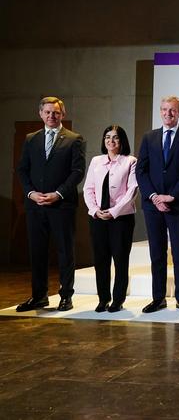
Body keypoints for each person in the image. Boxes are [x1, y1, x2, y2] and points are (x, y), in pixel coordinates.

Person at [16, 96, 85, 312]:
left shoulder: (74, 139)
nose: (51, 116)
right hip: (35, 206)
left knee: (65, 251)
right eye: (47, 112)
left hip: (61, 205)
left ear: (62, 114)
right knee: (37, 251)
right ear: (40, 114)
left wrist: (58, 194)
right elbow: (22, 170)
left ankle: (66, 296)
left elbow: (77, 172)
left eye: (55, 112)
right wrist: (30, 193)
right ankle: (39, 296)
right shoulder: (30, 139)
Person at [135, 95, 179, 313]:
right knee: (157, 253)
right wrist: (154, 196)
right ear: (160, 112)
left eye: (172, 110)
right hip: (153, 206)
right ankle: (158, 298)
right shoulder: (149, 137)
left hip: (178, 205)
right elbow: (141, 170)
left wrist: (171, 196)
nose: (168, 113)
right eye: (164, 109)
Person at [82, 125, 138, 313]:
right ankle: (103, 298)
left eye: (115, 138)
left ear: (122, 141)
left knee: (120, 260)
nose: (110, 141)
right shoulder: (96, 161)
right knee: (101, 260)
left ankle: (118, 299)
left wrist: (113, 211)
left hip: (121, 218)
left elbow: (131, 190)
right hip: (98, 217)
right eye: (107, 137)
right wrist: (95, 210)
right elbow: (88, 188)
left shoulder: (130, 161)